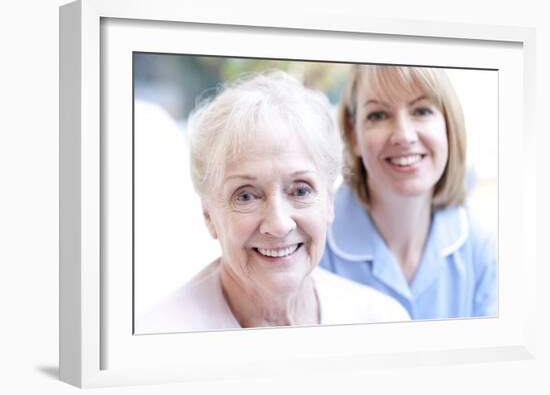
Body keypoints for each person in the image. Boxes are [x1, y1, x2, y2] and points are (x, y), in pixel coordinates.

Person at [137, 70, 410, 333]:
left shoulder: (382, 320)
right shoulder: (158, 338)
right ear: (208, 216)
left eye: (300, 191)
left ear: (328, 202)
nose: (279, 225)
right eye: (245, 195)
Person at [320, 65, 497, 320]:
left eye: (422, 111)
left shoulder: (481, 247)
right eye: (378, 115)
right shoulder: (316, 246)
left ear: (449, 125)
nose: (403, 136)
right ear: (353, 134)